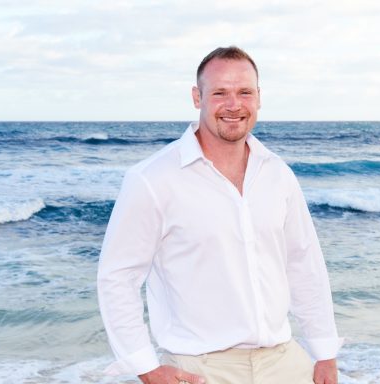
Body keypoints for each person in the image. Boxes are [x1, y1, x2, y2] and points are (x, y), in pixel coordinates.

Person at [97, 46, 343, 384]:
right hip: (200, 369)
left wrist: (325, 352)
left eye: (244, 92)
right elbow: (117, 276)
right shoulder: (152, 179)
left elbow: (303, 264)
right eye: (220, 93)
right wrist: (145, 367)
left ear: (258, 98)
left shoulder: (277, 173)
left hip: (284, 362)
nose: (233, 105)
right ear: (197, 98)